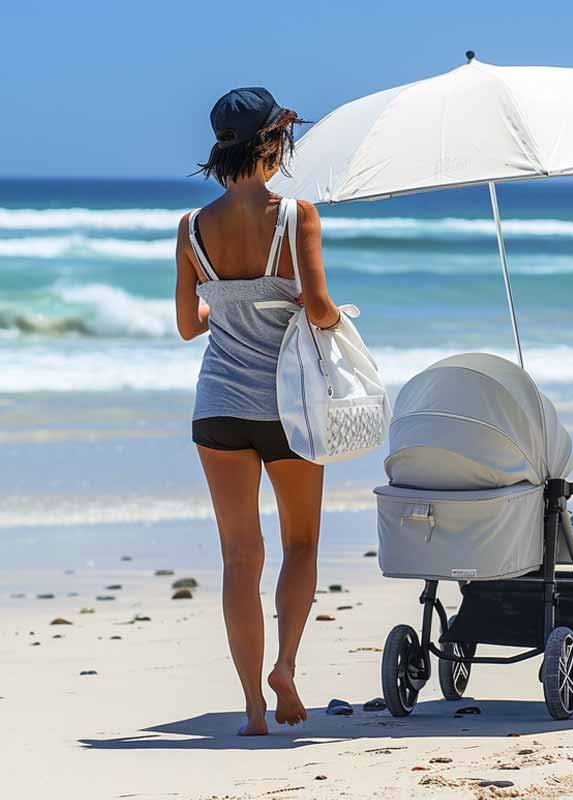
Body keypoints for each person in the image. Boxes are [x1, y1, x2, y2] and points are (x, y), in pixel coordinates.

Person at [174, 87, 339, 735]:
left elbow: (190, 325)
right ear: (275, 141)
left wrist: (233, 307)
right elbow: (320, 309)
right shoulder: (296, 215)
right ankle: (287, 668)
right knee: (301, 543)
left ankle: (251, 707)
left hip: (217, 408)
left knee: (240, 558)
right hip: (287, 409)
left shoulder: (191, 228)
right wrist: (311, 309)